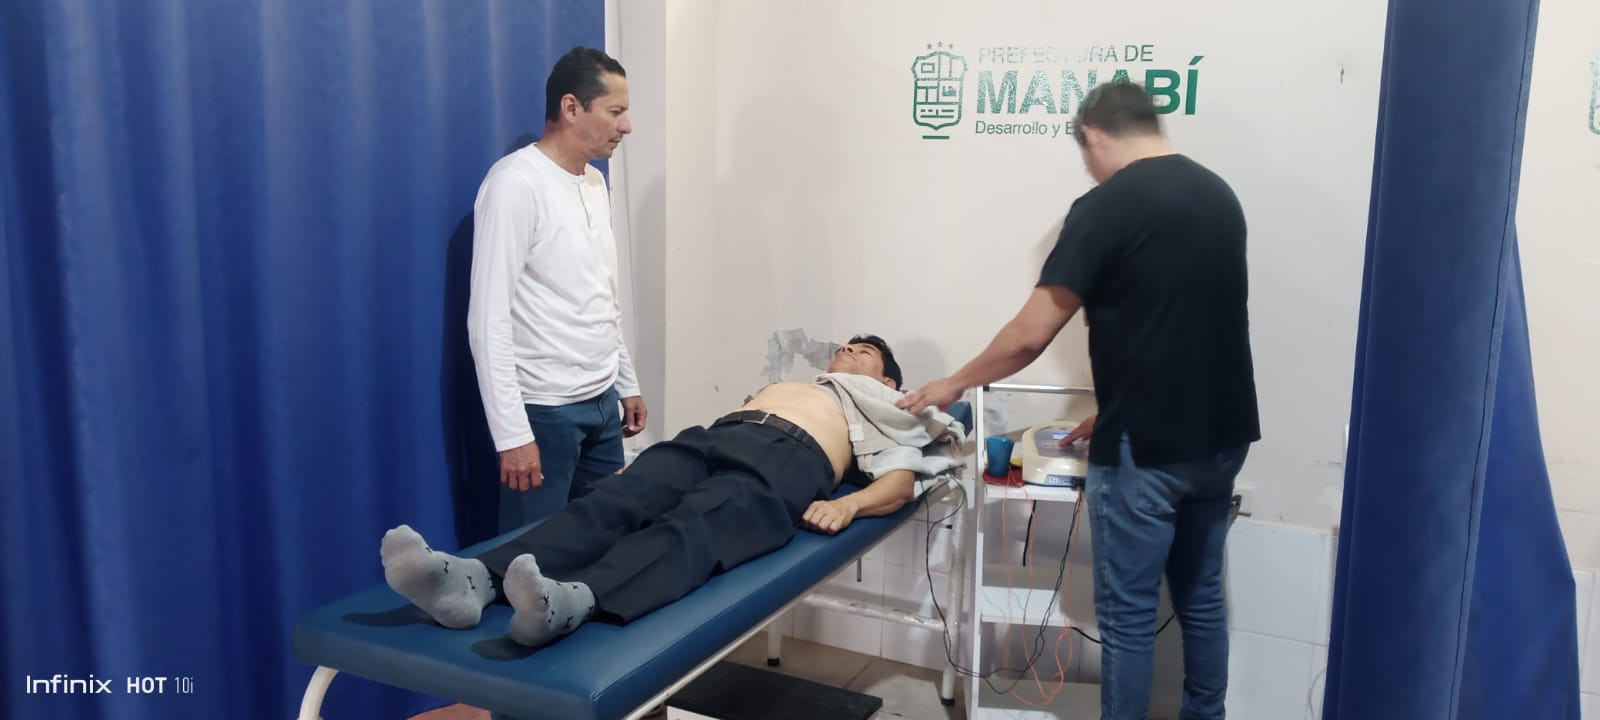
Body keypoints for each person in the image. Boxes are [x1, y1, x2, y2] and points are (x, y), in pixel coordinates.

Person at [898, 81, 1260, 720]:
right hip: (1222, 438)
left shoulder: (1107, 205)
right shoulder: (1218, 195)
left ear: (1093, 135)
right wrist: (1112, 405)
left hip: (1147, 450)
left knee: (1127, 617)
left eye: (1085, 155)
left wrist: (953, 383)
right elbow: (1185, 323)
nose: (1088, 168)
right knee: (1200, 598)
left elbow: (1029, 335)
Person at [383, 336, 965, 647]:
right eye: (847, 346)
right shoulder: (796, 382)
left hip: (793, 458)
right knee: (612, 500)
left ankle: (571, 602)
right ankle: (473, 581)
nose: (849, 351)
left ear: (889, 380)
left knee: (695, 524)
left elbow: (900, 481)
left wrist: (848, 504)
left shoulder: (893, 408)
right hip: (718, 434)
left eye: (865, 352)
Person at [467, 46, 649, 534]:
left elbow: (600, 294)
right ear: (571, 107)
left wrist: (625, 381)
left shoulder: (594, 183)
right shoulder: (515, 185)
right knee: (533, 554)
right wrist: (512, 434)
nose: (626, 126)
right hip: (545, 410)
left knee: (606, 537)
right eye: (615, 111)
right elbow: (487, 320)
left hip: (602, 400)